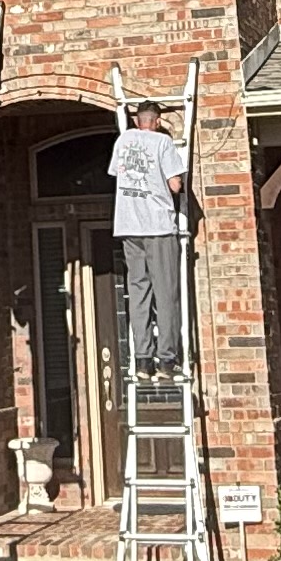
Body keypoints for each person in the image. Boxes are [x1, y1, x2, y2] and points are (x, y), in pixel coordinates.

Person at [109, 96, 192, 382]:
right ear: (156, 121)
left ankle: (143, 361)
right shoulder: (163, 142)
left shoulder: (123, 141)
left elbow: (117, 173)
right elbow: (175, 184)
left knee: (138, 291)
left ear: (136, 120)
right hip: (157, 226)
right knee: (165, 293)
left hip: (128, 226)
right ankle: (167, 360)